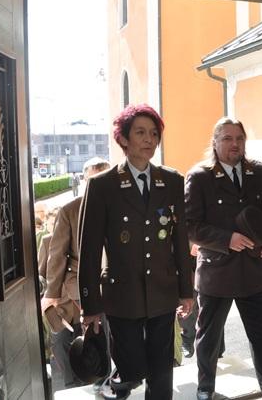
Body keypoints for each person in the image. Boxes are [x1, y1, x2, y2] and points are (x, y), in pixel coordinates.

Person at [78, 104, 193, 400]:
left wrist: (186, 290)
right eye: (140, 132)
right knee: (131, 370)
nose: (149, 139)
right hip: (122, 294)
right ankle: (119, 384)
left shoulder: (172, 180)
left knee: (162, 371)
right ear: (123, 139)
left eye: (154, 133)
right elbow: (89, 249)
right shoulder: (102, 185)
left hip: (162, 291)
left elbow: (180, 240)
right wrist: (90, 305)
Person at [185, 117, 262, 400]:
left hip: (253, 271)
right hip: (217, 272)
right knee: (208, 339)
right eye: (228, 138)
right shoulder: (200, 176)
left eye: (240, 138)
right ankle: (205, 390)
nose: (235, 144)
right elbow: (190, 226)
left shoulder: (258, 172)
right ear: (215, 142)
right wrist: (226, 239)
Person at [41, 157, 110, 389]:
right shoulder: (70, 210)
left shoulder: (119, 205)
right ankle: (84, 382)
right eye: (93, 180)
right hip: (79, 285)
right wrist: (51, 293)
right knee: (89, 334)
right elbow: (57, 254)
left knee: (110, 334)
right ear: (85, 181)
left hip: (113, 283)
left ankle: (104, 378)